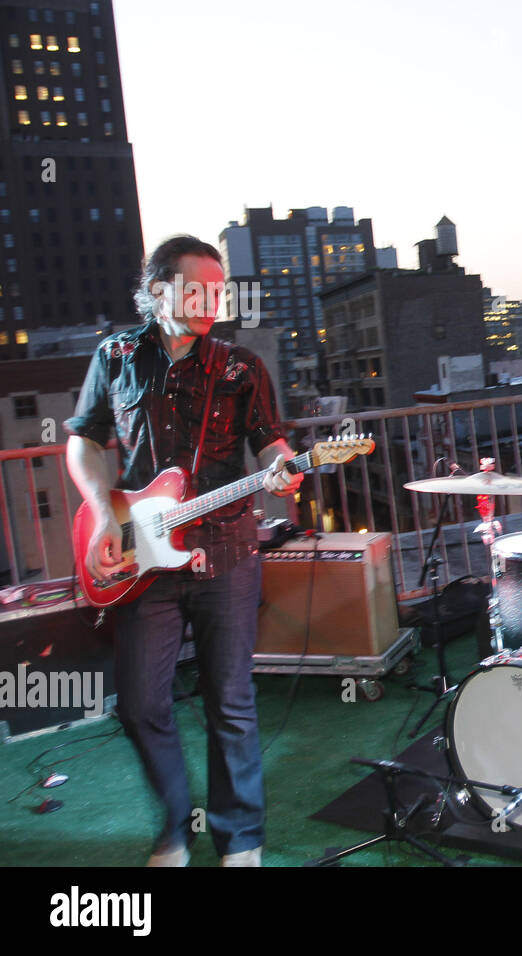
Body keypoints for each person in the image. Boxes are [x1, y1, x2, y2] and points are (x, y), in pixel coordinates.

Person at [64, 235, 302, 867]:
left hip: (225, 549)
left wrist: (284, 466)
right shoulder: (115, 356)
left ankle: (241, 838)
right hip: (142, 557)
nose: (210, 301)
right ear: (159, 289)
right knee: (142, 704)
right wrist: (99, 515)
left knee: (231, 701)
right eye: (197, 288)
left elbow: (269, 441)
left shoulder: (239, 365)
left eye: (218, 291)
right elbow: (84, 441)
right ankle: (175, 827)